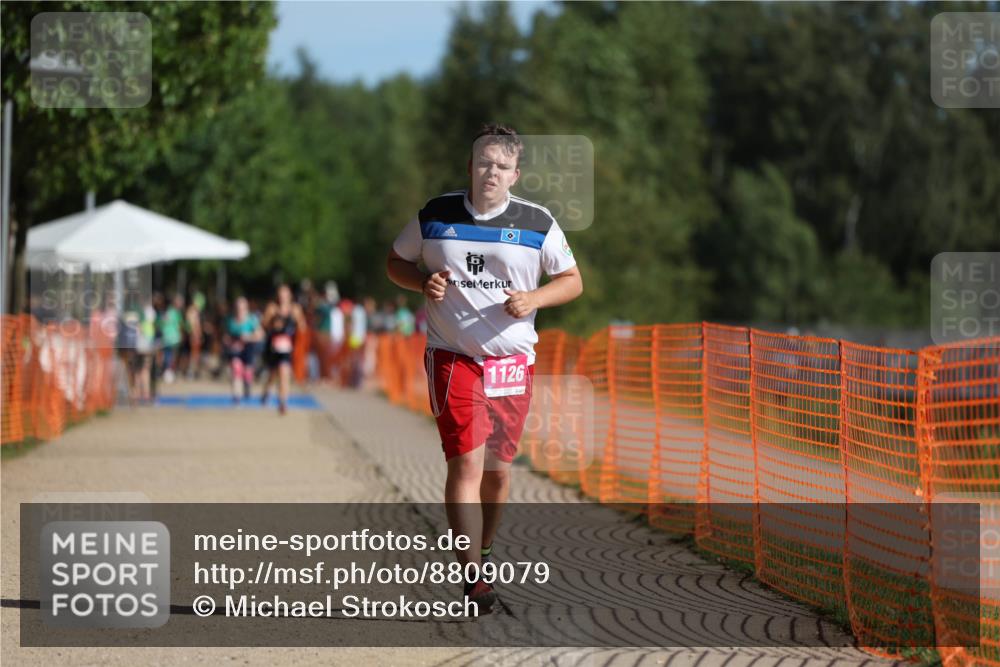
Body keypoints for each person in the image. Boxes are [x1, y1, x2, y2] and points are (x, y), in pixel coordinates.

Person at [385, 123, 583, 611]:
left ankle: (486, 547)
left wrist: (535, 297)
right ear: (470, 167)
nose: (490, 172)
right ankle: (474, 577)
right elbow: (395, 262)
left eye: (500, 165)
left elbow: (573, 281)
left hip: (513, 361)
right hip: (453, 356)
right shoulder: (437, 214)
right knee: (466, 462)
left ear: (516, 173)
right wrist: (423, 282)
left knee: (497, 470)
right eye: (482, 162)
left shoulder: (538, 222)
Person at [260, 285, 306, 414]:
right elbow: (263, 324)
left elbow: (302, 326)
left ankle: (283, 401)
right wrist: (273, 324)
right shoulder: (272, 308)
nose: (282, 298)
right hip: (273, 346)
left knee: (284, 372)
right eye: (280, 295)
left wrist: (297, 326)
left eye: (285, 295)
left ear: (289, 295)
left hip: (287, 346)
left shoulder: (295, 309)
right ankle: (266, 393)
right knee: (273, 374)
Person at [223, 296, 263, 403]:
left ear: (246, 308)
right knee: (236, 369)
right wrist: (229, 341)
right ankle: (236, 396)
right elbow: (225, 335)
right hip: (235, 349)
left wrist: (248, 337)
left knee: (247, 372)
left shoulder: (252, 319)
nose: (239, 310)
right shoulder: (229, 320)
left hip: (248, 349)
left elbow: (260, 334)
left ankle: (247, 384)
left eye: (242, 308)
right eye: (237, 308)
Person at [158, 293, 184, 384]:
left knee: (166, 355)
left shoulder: (167, 312)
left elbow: (161, 324)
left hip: (166, 337)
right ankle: (168, 372)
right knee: (171, 356)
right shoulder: (176, 313)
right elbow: (179, 325)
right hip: (173, 338)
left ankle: (165, 372)